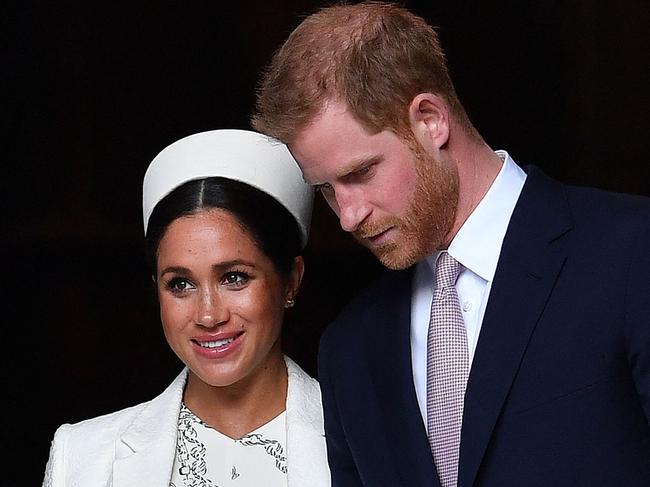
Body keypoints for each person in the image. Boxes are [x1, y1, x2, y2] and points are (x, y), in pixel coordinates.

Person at [251, 2, 650, 486]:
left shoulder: (631, 253)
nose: (349, 215)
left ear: (431, 119)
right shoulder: (349, 349)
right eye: (327, 190)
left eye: (360, 172)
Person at [42, 129, 330, 486]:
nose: (209, 315)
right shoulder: (85, 457)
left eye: (235, 277)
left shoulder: (363, 439)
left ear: (291, 279)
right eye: (181, 284)